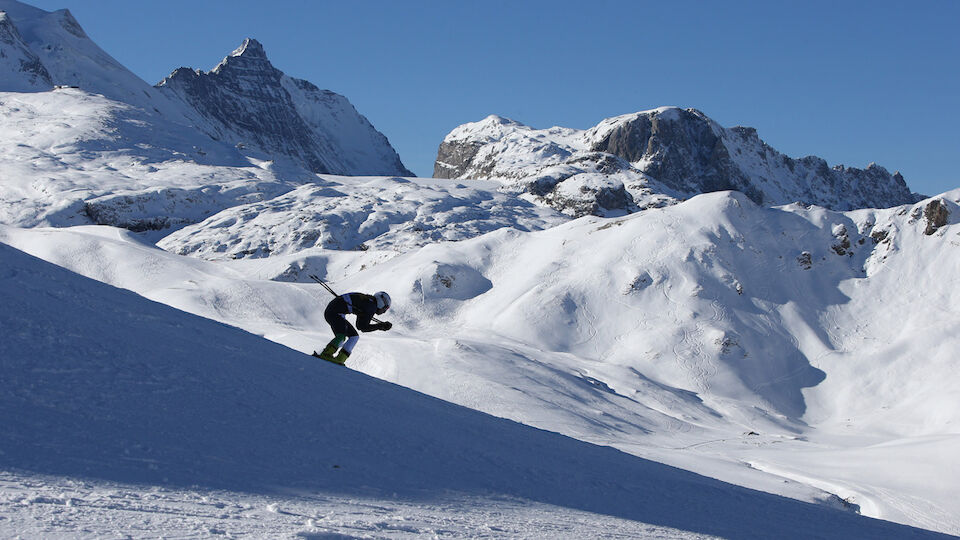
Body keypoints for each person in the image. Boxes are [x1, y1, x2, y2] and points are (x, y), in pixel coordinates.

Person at [313, 291, 392, 365]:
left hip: (334, 312)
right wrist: (380, 326)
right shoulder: (371, 306)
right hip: (335, 313)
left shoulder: (369, 301)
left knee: (354, 337)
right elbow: (362, 327)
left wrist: (380, 325)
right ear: (382, 303)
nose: (384, 311)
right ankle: (326, 354)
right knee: (341, 336)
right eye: (385, 308)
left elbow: (360, 325)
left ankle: (340, 359)